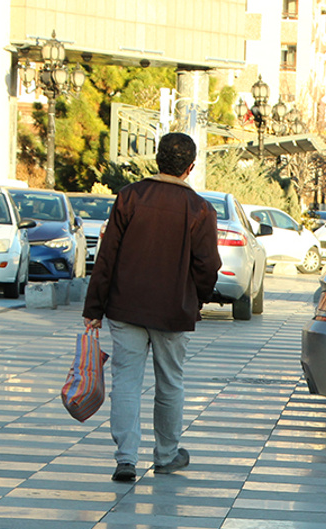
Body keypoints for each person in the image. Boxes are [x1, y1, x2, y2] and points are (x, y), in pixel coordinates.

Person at [82, 132, 221, 483]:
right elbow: (207, 266)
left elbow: (107, 256)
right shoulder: (201, 209)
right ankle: (166, 455)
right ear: (190, 168)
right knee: (170, 383)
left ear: (156, 160)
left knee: (126, 383)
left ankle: (126, 459)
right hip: (173, 311)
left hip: (125, 307)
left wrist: (94, 308)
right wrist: (197, 299)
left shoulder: (130, 197)